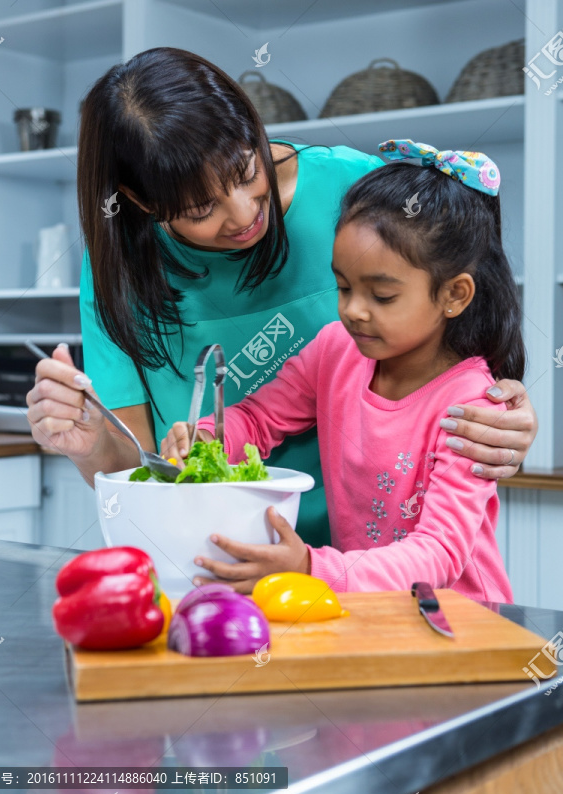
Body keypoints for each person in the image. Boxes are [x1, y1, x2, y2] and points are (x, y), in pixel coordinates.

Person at [26, 48, 537, 551]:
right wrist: (91, 443)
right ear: (139, 202)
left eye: (247, 170)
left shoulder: (358, 193)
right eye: (202, 206)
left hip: (371, 562)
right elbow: (145, 468)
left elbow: (465, 319)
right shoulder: (120, 270)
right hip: (214, 551)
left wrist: (504, 415)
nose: (244, 213)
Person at [164, 141, 521, 603]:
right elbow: (257, 418)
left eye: (382, 296)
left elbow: (440, 553)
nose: (353, 310)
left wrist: (313, 568)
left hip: (465, 624)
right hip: (372, 614)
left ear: (454, 294)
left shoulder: (471, 405)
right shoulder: (335, 351)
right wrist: (207, 436)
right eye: (344, 286)